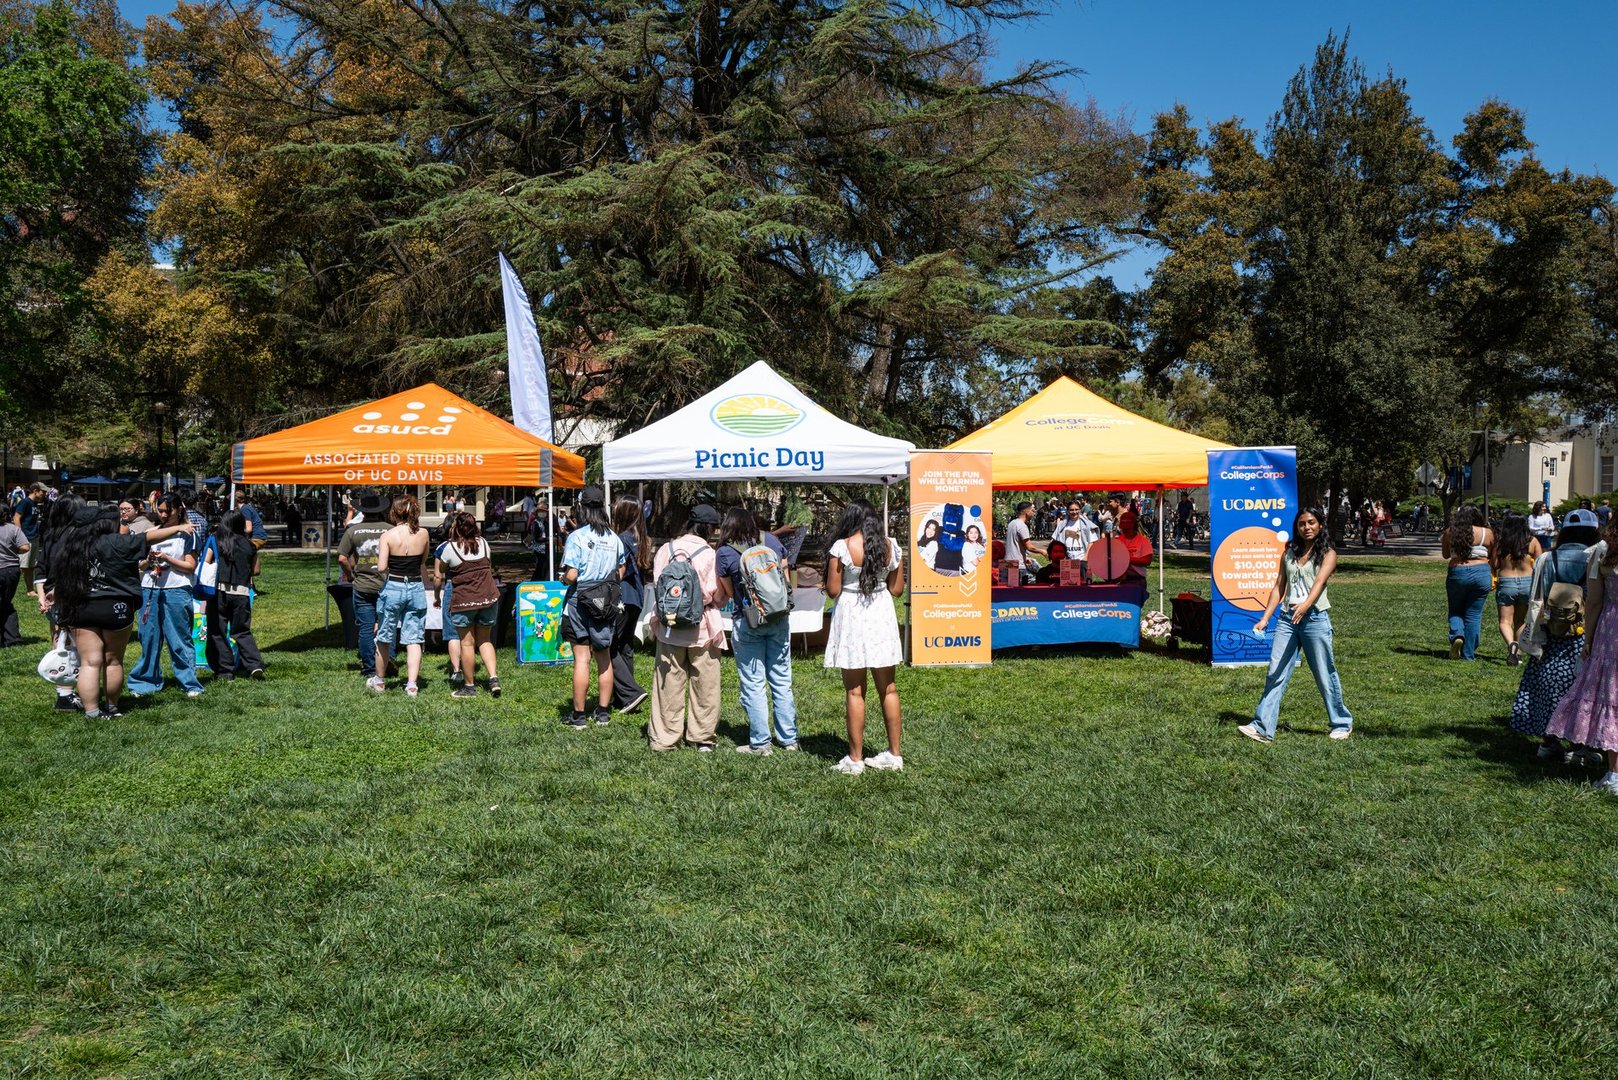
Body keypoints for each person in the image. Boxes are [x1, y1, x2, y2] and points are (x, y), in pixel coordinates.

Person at [49, 500, 195, 718]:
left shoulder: (73, 546)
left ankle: (91, 711)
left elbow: (60, 578)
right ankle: (112, 707)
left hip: (82, 607)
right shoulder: (118, 542)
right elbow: (147, 538)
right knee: (113, 660)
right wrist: (179, 528)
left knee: (89, 662)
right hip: (116, 607)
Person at [1238, 509, 1352, 743]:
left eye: (1311, 522)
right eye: (1302, 524)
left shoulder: (1328, 554)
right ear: (1297, 527)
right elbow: (1279, 587)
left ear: (1320, 525)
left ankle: (1341, 723)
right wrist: (1265, 618)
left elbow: (1319, 583)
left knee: (1323, 673)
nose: (1307, 527)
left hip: (1314, 619)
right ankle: (1262, 727)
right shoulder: (1289, 553)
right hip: (1287, 620)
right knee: (1275, 671)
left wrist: (1305, 606)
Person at [1512, 508, 1603, 755]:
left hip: (1551, 631)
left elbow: (1536, 596)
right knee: (1582, 686)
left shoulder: (1545, 559)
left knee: (1548, 683)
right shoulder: (1595, 557)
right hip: (1585, 632)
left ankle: (1548, 741)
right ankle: (1579, 744)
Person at [824, 500, 904, 774]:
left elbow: (833, 591)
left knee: (854, 690)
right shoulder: (891, 546)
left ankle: (855, 758)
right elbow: (897, 589)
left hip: (852, 615)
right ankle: (894, 755)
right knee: (889, 688)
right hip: (881, 613)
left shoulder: (842, 547)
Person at [717, 506, 798, 755]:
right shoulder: (771, 541)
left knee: (753, 682)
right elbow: (786, 577)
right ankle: (789, 740)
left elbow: (730, 593)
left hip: (748, 620)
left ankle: (761, 743)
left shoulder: (724, 552)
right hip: (778, 617)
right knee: (781, 679)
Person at [1546, 515, 1618, 792]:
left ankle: (1613, 774)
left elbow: (1595, 601)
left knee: (1612, 694)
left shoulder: (1602, 551)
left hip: (1611, 632)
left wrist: (1588, 639)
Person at [647, 505, 725, 751]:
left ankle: (664, 738)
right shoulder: (709, 554)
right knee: (705, 685)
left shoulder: (665, 550)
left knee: (667, 684)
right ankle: (702, 737)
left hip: (669, 626)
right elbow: (717, 595)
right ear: (708, 528)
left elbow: (658, 584)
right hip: (702, 628)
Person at [126, 494, 207, 699]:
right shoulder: (151, 533)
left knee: (179, 637)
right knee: (149, 636)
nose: (162, 515)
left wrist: (168, 559)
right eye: (159, 510)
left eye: (166, 511)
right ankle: (145, 682)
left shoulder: (189, 533)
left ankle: (189, 683)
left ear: (178, 509)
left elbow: (190, 566)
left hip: (177, 589)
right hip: (150, 588)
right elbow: (139, 565)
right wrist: (148, 562)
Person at [560, 486, 625, 728]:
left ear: (583, 508)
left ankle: (578, 716)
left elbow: (572, 574)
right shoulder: (614, 538)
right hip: (606, 601)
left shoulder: (577, 537)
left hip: (581, 600)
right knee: (604, 657)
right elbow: (621, 570)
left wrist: (563, 578)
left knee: (581, 659)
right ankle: (603, 712)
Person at [434, 510, 501, 699]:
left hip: (464, 600)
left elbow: (442, 569)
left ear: (456, 528)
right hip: (488, 598)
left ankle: (470, 686)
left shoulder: (450, 548)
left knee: (467, 643)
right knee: (485, 640)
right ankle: (493, 678)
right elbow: (487, 564)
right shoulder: (485, 544)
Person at [371, 495, 430, 696]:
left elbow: (381, 567)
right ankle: (412, 685)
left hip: (394, 586)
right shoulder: (423, 534)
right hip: (415, 586)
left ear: (394, 512)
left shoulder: (388, 535)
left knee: (384, 635)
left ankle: (379, 681)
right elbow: (423, 561)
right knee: (414, 638)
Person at [31, 495, 85, 711]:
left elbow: (40, 567)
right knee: (81, 645)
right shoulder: (79, 536)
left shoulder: (50, 535)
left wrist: (42, 595)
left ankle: (64, 694)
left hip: (52, 598)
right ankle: (79, 691)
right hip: (72, 594)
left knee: (59, 644)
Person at [202, 511, 265, 680]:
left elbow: (206, 563)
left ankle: (225, 671)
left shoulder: (216, 541)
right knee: (242, 631)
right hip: (241, 593)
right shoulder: (249, 545)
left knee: (218, 632)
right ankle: (254, 665)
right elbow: (256, 571)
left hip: (219, 593)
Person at [338, 491, 393, 685]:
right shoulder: (390, 529)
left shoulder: (353, 531)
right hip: (386, 584)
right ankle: (387, 662)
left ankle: (370, 667)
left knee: (366, 628)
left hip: (362, 585)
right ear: (380, 511)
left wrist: (350, 575)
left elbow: (342, 557)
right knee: (387, 626)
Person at [609, 497, 650, 714]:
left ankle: (630, 692)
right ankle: (625, 698)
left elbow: (618, 571)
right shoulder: (641, 539)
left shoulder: (621, 539)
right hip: (636, 598)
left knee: (607, 645)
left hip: (622, 597)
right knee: (625, 645)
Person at [1441, 505, 1494, 660]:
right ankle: (1468, 655)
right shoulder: (1488, 533)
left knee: (1455, 610)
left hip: (1458, 572)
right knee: (1474, 614)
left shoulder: (1450, 532)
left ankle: (1457, 634)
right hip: (1482, 571)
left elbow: (1445, 555)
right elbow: (1493, 554)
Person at [1491, 511, 1542, 664]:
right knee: (1520, 620)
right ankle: (1518, 651)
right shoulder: (1532, 541)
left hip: (1507, 582)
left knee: (1505, 621)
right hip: (1527, 582)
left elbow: (1494, 564)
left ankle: (1511, 644)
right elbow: (1540, 562)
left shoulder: (1501, 542)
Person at [0, 511, 29, 647]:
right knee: (6, 603)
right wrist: (12, 550)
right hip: (11, 570)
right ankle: (12, 638)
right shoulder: (14, 529)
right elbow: (25, 547)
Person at [12, 482, 46, 590]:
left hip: (34, 537)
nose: (44, 494)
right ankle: (27, 589)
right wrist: (20, 536)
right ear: (35, 491)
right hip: (26, 537)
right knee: (24, 567)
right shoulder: (25, 502)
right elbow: (16, 517)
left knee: (31, 567)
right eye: (43, 491)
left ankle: (30, 589)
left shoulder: (35, 503)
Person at [1117, 510, 1154, 581]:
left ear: (1134, 526)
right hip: (1119, 577)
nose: (1125, 530)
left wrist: (1127, 560)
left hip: (1137, 578)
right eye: (1123, 528)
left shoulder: (1143, 541)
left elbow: (1147, 561)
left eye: (1128, 528)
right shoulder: (1117, 541)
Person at [1004, 501, 1034, 584]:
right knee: (1022, 592)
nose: (1033, 513)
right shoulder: (1022, 526)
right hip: (1018, 566)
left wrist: (1025, 558)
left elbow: (1015, 544)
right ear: (1027, 512)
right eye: (1032, 511)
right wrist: (1042, 551)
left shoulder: (1012, 523)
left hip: (1007, 563)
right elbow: (1029, 547)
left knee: (1009, 591)